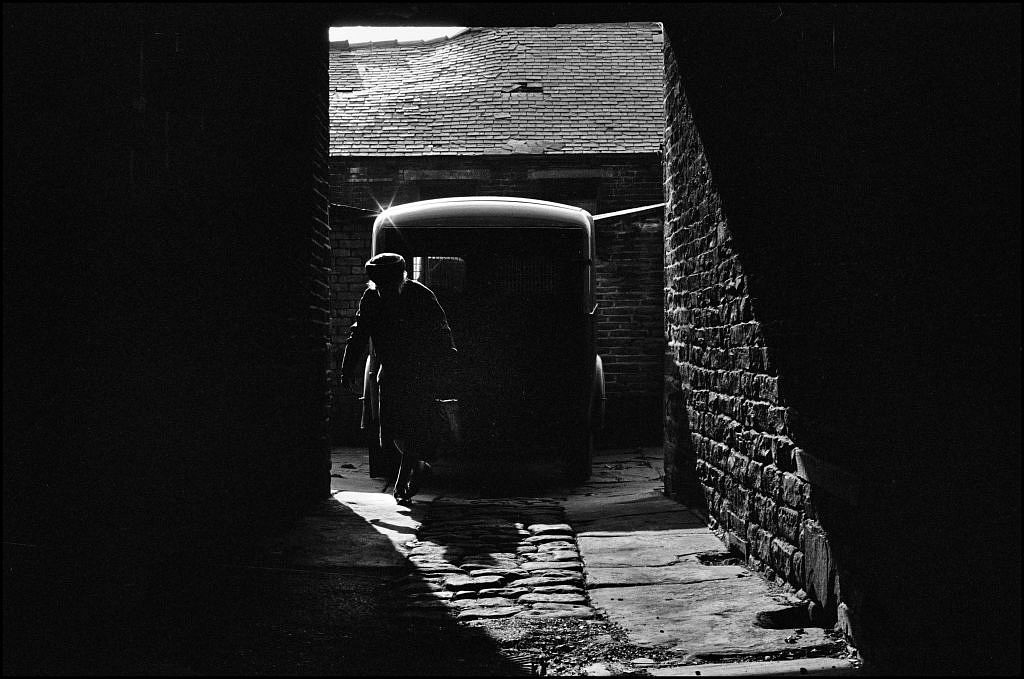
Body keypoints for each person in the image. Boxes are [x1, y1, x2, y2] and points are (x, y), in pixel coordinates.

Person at [339, 253, 457, 505]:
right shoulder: (371, 298)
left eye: (388, 286)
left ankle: (403, 479)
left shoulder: (422, 295)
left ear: (401, 280)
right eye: (379, 287)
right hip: (390, 372)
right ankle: (419, 466)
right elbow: (359, 333)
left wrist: (443, 366)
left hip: (419, 373)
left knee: (412, 425)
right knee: (391, 429)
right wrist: (347, 367)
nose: (384, 292)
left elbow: (442, 334)